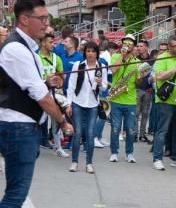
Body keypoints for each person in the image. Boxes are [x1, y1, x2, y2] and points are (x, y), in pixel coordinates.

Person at [0, 0, 73, 208]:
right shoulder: (17, 48)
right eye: (42, 18)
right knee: (15, 195)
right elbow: (40, 98)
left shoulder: (23, 47)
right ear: (23, 20)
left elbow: (33, 86)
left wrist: (48, 84)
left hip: (19, 126)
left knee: (15, 194)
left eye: (47, 18)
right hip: (18, 128)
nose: (47, 23)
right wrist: (63, 121)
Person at [67, 41, 107, 173]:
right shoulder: (78, 65)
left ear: (97, 53)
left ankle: (89, 163)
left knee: (90, 134)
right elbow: (71, 86)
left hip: (93, 104)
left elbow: (104, 87)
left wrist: (100, 83)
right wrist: (68, 104)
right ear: (85, 53)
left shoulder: (101, 67)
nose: (90, 54)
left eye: (93, 51)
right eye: (88, 51)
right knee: (77, 132)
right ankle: (74, 162)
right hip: (78, 102)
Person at [151, 38, 176, 170]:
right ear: (170, 47)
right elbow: (159, 76)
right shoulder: (162, 58)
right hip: (165, 100)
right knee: (162, 130)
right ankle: (157, 158)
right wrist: (175, 69)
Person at [108, 34, 140, 163]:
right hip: (116, 99)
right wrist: (122, 55)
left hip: (130, 100)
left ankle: (129, 153)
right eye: (125, 43)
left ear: (133, 46)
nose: (127, 45)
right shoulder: (116, 56)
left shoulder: (137, 62)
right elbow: (114, 70)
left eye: (130, 43)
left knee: (130, 129)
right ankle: (114, 152)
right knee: (115, 128)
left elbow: (137, 83)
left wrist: (140, 77)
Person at [38, 33, 68, 157]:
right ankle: (32, 146)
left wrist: (59, 81)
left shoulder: (57, 58)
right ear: (43, 43)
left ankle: (58, 147)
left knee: (57, 121)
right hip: (39, 95)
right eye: (50, 42)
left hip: (54, 95)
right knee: (36, 121)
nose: (53, 45)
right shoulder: (35, 58)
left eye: (54, 42)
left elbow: (62, 77)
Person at [135, 39, 153, 142]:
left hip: (148, 90)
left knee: (145, 113)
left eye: (141, 46)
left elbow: (154, 74)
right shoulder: (135, 59)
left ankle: (142, 134)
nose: (139, 48)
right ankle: (134, 134)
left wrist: (152, 87)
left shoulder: (152, 60)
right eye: (138, 46)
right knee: (136, 113)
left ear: (146, 47)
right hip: (137, 89)